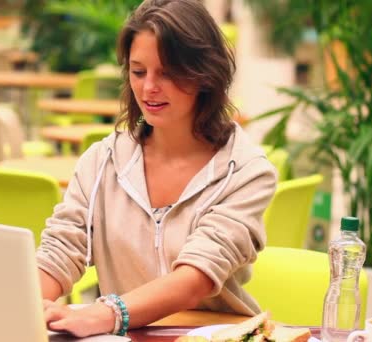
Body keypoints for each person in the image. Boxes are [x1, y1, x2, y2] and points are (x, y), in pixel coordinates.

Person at [37, 0, 277, 337]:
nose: (149, 87)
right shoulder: (101, 161)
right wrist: (23, 302)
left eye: (167, 73)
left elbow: (196, 277)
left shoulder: (246, 171)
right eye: (138, 71)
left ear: (204, 74)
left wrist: (107, 313)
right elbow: (62, 250)